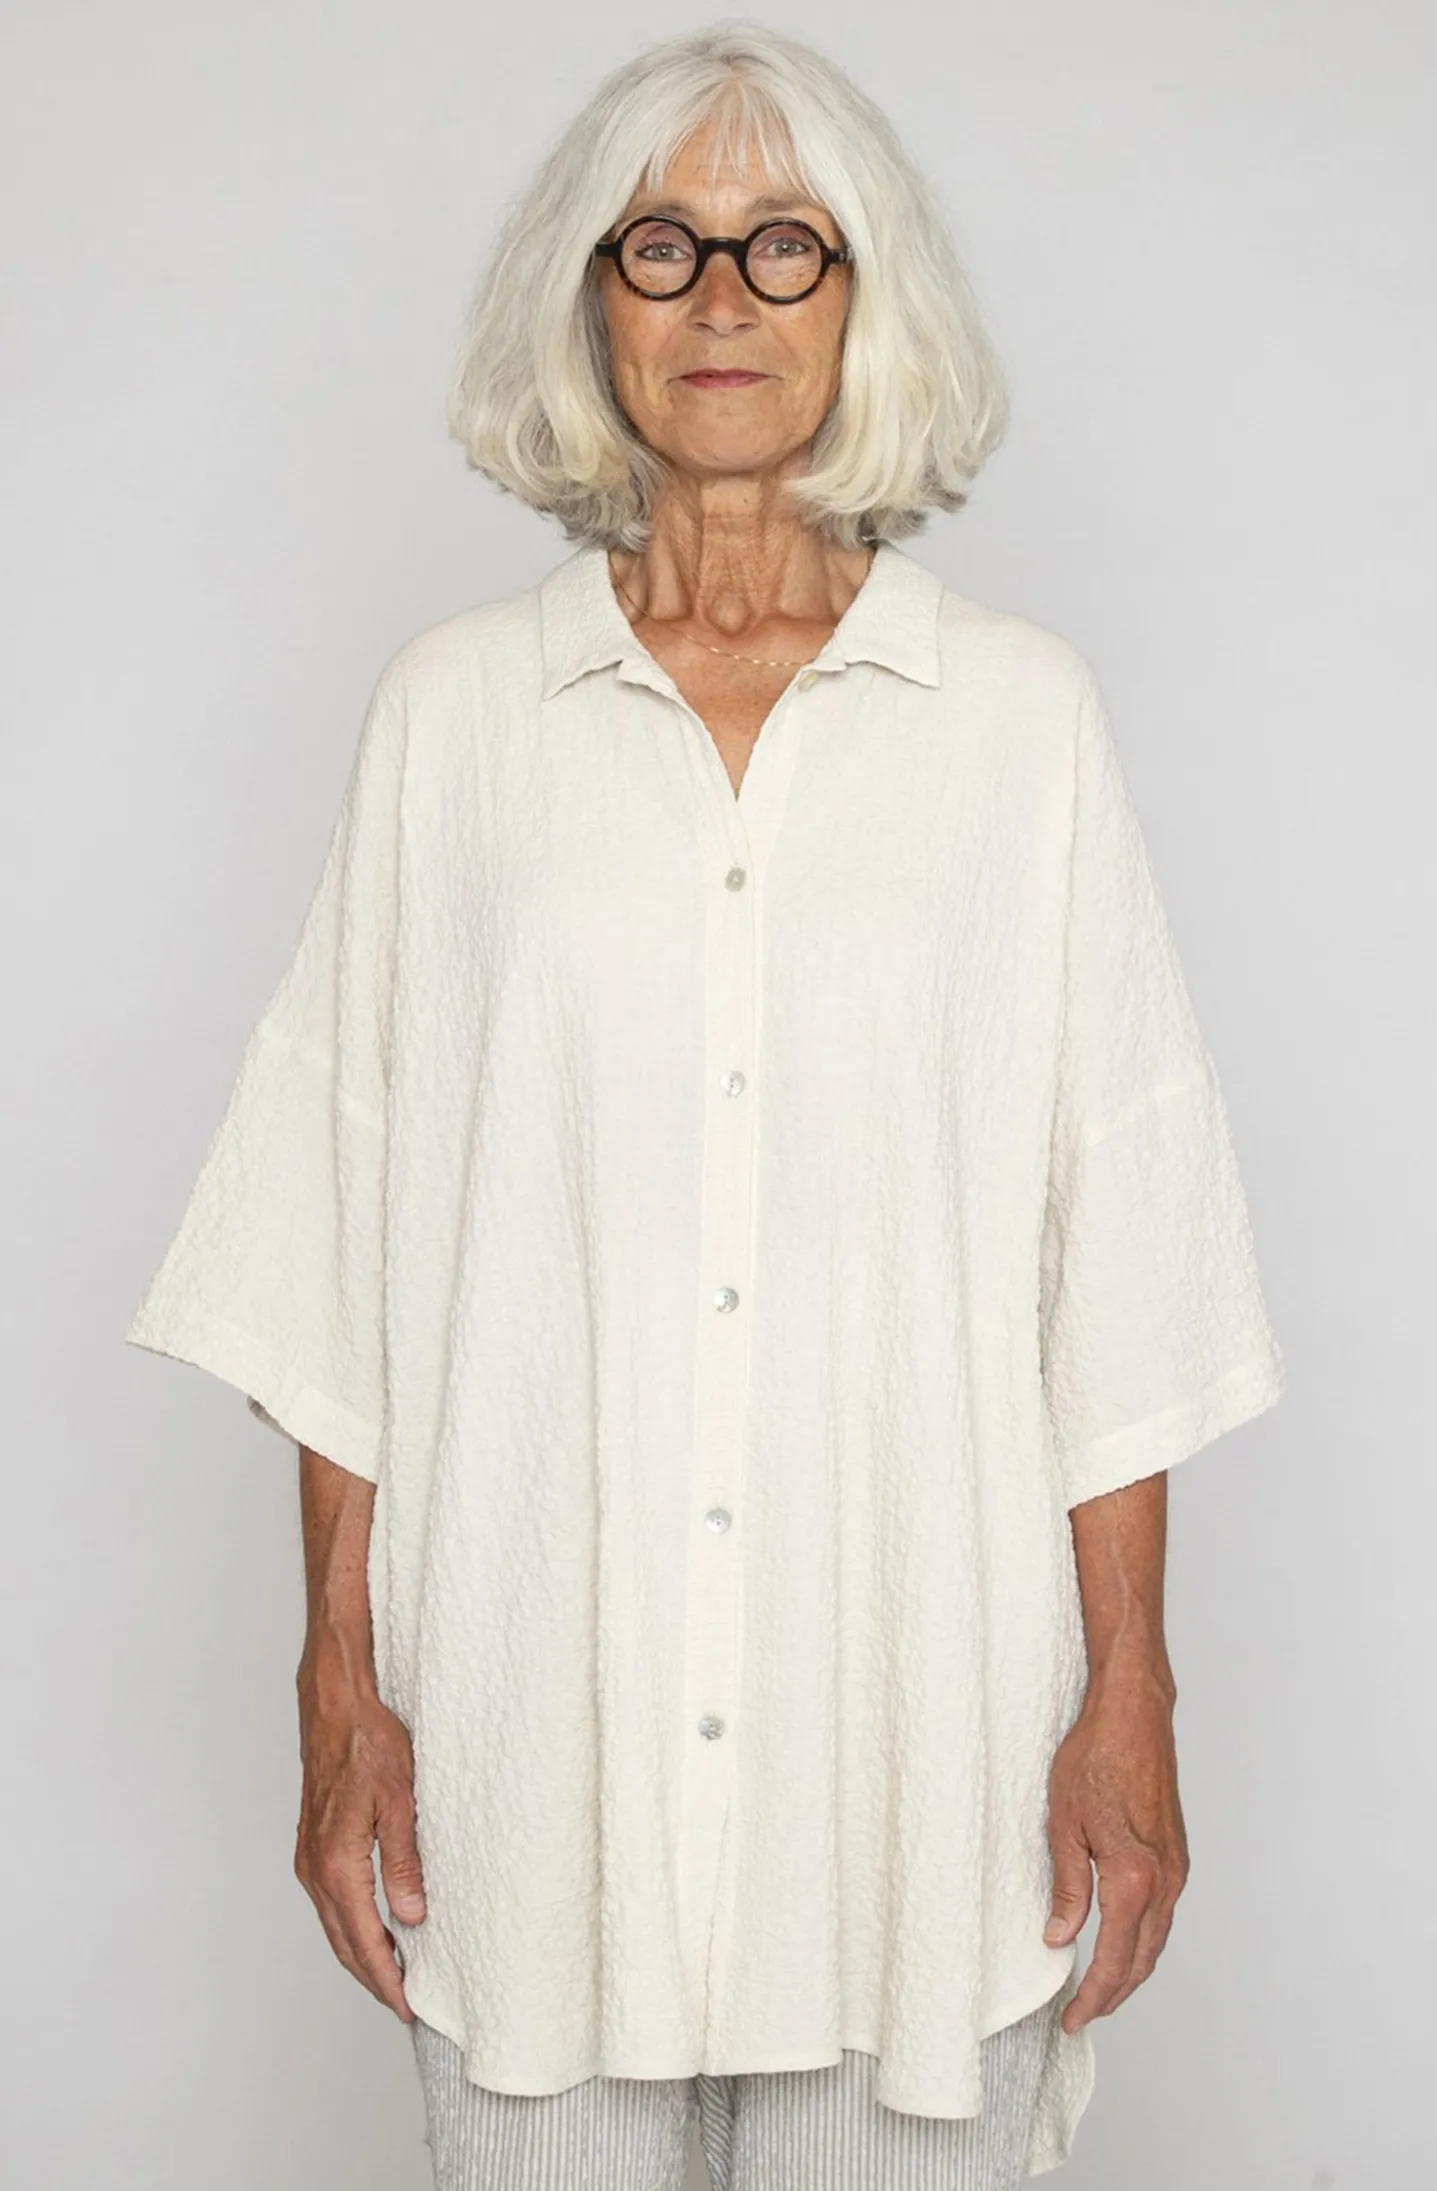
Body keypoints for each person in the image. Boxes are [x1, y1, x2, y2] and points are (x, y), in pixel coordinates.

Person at [124, 21, 1285, 2189]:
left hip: (919, 1753)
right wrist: (334, 1681)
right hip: (536, 1757)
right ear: (588, 303)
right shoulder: (455, 721)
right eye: (662, 246)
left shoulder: (1017, 726)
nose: (725, 296)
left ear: (865, 301)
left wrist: (1132, 1689)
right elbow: (337, 1239)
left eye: (786, 246)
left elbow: (1117, 1252)